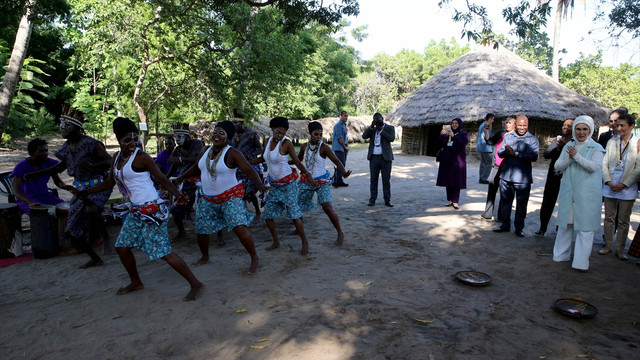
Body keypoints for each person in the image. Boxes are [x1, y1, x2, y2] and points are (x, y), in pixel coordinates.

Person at [80, 117, 204, 301]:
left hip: (152, 210)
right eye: (127, 139)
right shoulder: (116, 159)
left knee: (164, 252)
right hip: (136, 211)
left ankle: (196, 284)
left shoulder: (142, 157)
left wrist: (179, 195)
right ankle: (136, 282)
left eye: (135, 138)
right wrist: (85, 191)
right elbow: (108, 183)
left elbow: (161, 178)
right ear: (119, 140)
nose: (133, 142)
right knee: (122, 247)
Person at [174, 121, 266, 274]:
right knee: (201, 230)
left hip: (230, 197)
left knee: (239, 227)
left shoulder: (232, 153)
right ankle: (205, 257)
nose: (216, 135)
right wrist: (180, 178)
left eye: (221, 133)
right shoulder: (205, 150)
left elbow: (249, 170)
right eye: (215, 132)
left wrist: (260, 185)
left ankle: (254, 257)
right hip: (208, 199)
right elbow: (197, 167)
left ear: (228, 137)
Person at [26, 114, 113, 268]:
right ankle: (95, 258)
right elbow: (60, 167)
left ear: (77, 128)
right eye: (61, 126)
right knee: (70, 231)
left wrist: (92, 165)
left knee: (92, 210)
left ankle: (105, 237)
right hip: (80, 190)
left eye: (66, 126)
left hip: (98, 186)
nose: (62, 129)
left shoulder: (91, 144)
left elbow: (109, 161)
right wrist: (37, 174)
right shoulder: (66, 148)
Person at [251, 116, 315, 255]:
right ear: (272, 129)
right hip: (274, 185)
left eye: (283, 132)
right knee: (268, 215)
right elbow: (263, 158)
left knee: (294, 215)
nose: (280, 135)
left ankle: (304, 242)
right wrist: (247, 162)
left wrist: (307, 174)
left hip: (288, 185)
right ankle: (276, 241)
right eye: (278, 131)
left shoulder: (287, 144)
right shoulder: (267, 141)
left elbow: (297, 161)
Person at [552, 116, 605, 271]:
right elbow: (558, 166)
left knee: (585, 229)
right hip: (570, 192)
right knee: (565, 226)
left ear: (590, 130)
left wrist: (576, 156)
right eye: (578, 129)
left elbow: (594, 167)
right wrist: (569, 158)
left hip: (587, 194)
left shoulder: (596, 148)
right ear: (574, 129)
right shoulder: (569, 145)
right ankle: (560, 255)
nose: (581, 132)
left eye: (584, 129)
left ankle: (580, 263)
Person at [297, 121, 352, 246]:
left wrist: (343, 172)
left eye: (320, 134)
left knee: (327, 206)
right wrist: (283, 161)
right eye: (316, 134)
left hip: (322, 181)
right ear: (310, 134)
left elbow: (337, 161)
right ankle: (297, 228)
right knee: (298, 206)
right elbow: (298, 160)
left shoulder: (324, 147)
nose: (318, 137)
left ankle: (340, 232)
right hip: (307, 181)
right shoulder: (304, 147)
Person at [600, 113, 640, 260]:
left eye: (623, 125)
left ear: (631, 126)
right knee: (609, 218)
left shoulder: (637, 143)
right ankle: (608, 245)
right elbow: (604, 164)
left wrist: (624, 184)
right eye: (618, 125)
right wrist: (608, 181)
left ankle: (620, 249)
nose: (619, 128)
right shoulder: (612, 142)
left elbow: (638, 168)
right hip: (610, 186)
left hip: (627, 188)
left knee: (623, 220)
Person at [493, 115, 539, 237]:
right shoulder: (508, 137)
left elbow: (534, 156)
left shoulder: (532, 139)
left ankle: (519, 228)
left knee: (521, 205)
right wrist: (506, 152)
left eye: (524, 125)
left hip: (523, 179)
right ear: (516, 125)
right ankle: (505, 225)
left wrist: (516, 153)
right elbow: (500, 153)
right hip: (506, 176)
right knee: (505, 202)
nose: (522, 127)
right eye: (520, 125)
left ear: (527, 125)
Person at [535, 118, 573, 236]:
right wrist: (557, 146)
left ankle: (559, 228)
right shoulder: (557, 140)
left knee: (565, 202)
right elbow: (546, 154)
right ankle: (543, 227)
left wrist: (564, 146)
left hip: (568, 175)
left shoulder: (574, 143)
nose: (565, 127)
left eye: (569, 125)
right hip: (553, 174)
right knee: (548, 201)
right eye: (564, 125)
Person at [167, 125, 204, 238]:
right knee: (176, 210)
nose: (177, 139)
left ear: (187, 137)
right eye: (176, 137)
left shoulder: (198, 144)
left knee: (207, 208)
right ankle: (182, 231)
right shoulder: (177, 150)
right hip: (185, 183)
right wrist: (165, 177)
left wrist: (181, 159)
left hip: (201, 181)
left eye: (180, 136)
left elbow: (198, 160)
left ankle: (218, 235)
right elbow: (174, 164)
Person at [11, 138, 65, 215]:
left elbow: (57, 181)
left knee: (64, 208)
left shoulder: (50, 163)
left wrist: (70, 188)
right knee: (42, 214)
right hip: (26, 199)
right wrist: (29, 202)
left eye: (46, 151)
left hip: (45, 196)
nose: (45, 153)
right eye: (41, 151)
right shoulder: (22, 166)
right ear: (31, 153)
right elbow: (14, 188)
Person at [481, 116, 516, 220]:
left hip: (507, 166)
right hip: (496, 164)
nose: (505, 125)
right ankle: (487, 213)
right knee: (492, 187)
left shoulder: (516, 136)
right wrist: (486, 132)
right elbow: (490, 142)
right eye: (505, 123)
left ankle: (501, 216)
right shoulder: (501, 132)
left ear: (514, 124)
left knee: (504, 191)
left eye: (508, 123)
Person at [231, 119, 264, 215]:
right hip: (237, 167)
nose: (234, 125)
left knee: (250, 190)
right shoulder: (231, 135)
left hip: (250, 166)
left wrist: (250, 156)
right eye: (232, 123)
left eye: (235, 123)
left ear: (241, 123)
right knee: (240, 190)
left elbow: (260, 148)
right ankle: (243, 210)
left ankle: (257, 210)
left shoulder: (251, 134)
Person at [363, 113, 395, 207]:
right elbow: (364, 136)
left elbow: (392, 138)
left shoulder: (389, 128)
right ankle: (372, 200)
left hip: (386, 159)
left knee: (386, 181)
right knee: (373, 180)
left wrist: (381, 131)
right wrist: (371, 126)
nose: (377, 121)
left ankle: (387, 200)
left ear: (383, 119)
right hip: (374, 158)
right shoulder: (372, 129)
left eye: (378, 119)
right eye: (375, 119)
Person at [436, 118, 469, 209]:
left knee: (456, 180)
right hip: (447, 160)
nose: (454, 125)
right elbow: (439, 144)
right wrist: (442, 135)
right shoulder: (447, 134)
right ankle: (449, 200)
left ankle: (455, 201)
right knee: (448, 180)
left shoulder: (464, 134)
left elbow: (463, 144)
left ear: (460, 124)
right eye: (453, 123)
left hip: (458, 160)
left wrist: (454, 136)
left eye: (456, 123)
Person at [332, 110, 350, 188]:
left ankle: (339, 180)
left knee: (342, 164)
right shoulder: (338, 125)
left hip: (343, 147)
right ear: (341, 116)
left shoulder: (343, 125)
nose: (346, 117)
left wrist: (346, 146)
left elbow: (345, 137)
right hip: (338, 147)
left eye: (347, 116)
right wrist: (344, 147)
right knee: (340, 164)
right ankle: (335, 180)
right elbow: (340, 138)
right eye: (344, 116)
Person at [476, 113, 495, 184]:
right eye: (492, 119)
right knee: (489, 163)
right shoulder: (486, 126)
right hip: (486, 147)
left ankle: (481, 177)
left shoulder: (482, 125)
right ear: (489, 119)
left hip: (482, 147)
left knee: (483, 163)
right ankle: (484, 178)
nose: (493, 121)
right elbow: (487, 137)